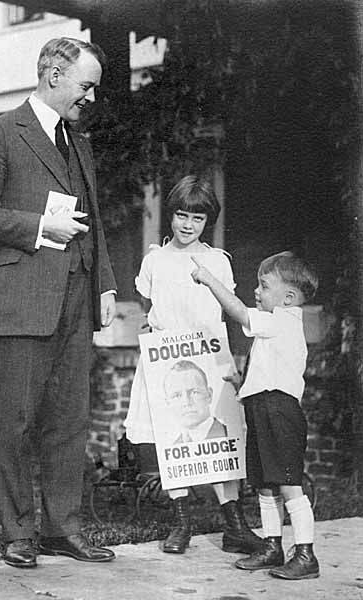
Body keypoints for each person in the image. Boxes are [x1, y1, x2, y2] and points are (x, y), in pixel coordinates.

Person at [0, 37, 117, 568]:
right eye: (85, 86)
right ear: (53, 74)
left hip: (76, 296)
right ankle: (19, 531)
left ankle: (62, 529)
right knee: (18, 420)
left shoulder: (79, 142)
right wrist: (37, 227)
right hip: (22, 295)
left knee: (70, 420)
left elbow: (93, 221)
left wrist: (105, 284)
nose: (91, 98)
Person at [124, 175, 262, 555]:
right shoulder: (155, 259)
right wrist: (151, 327)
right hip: (168, 361)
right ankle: (181, 522)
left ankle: (234, 524)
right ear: (171, 215)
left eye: (197, 219)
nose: (187, 225)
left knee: (221, 438)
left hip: (210, 358)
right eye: (182, 215)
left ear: (207, 222)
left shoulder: (217, 261)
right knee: (173, 438)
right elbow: (149, 306)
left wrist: (231, 364)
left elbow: (228, 313)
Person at [191, 251, 320, 580]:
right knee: (264, 484)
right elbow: (268, 372)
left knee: (289, 484)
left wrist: (209, 280)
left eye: (264, 286)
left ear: (288, 297)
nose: (256, 292)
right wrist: (242, 382)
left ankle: (305, 553)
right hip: (262, 407)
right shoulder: (274, 326)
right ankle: (272, 545)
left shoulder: (283, 319)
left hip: (280, 412)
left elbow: (237, 311)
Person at [163, 360, 228, 444]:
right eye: (177, 396)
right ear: (168, 403)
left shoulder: (230, 434)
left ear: (209, 395)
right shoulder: (172, 449)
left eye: (194, 392)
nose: (186, 402)